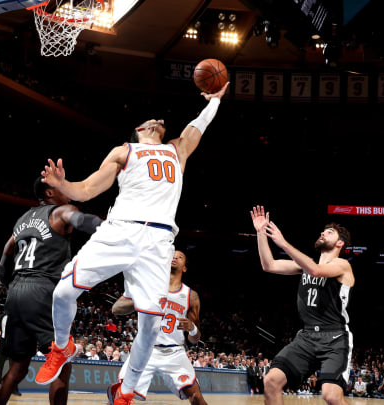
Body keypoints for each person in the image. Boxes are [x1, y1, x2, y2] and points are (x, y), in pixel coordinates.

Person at [37, 83, 229, 405]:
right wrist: (62, 185)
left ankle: (126, 392)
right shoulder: (124, 150)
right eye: (151, 119)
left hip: (158, 242)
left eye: (161, 120)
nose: (158, 121)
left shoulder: (176, 150)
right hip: (120, 231)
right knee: (63, 291)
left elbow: (198, 126)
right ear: (139, 128)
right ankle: (61, 346)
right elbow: (86, 189)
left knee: (151, 325)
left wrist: (215, 102)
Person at [0, 177, 103, 405]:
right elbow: (80, 219)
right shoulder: (61, 212)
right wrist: (110, 228)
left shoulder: (22, 219)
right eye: (60, 187)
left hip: (16, 293)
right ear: (49, 193)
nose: (67, 191)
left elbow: (8, 247)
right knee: (62, 362)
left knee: (17, 369)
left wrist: (5, 277)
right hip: (41, 290)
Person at [250, 206, 354, 405]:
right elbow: (268, 265)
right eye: (323, 231)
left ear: (340, 243)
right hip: (307, 337)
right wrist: (261, 233)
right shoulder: (305, 266)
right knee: (271, 381)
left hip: (335, 338)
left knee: (331, 396)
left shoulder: (343, 265)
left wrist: (283, 243)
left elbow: (316, 270)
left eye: (329, 232)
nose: (323, 233)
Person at [110, 250, 207, 405]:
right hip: (145, 350)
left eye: (180, 257)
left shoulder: (191, 295)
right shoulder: (147, 285)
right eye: (172, 255)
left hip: (174, 352)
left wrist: (192, 328)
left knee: (196, 397)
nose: (175, 257)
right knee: (120, 398)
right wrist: (143, 300)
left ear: (185, 268)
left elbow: (195, 339)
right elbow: (116, 309)